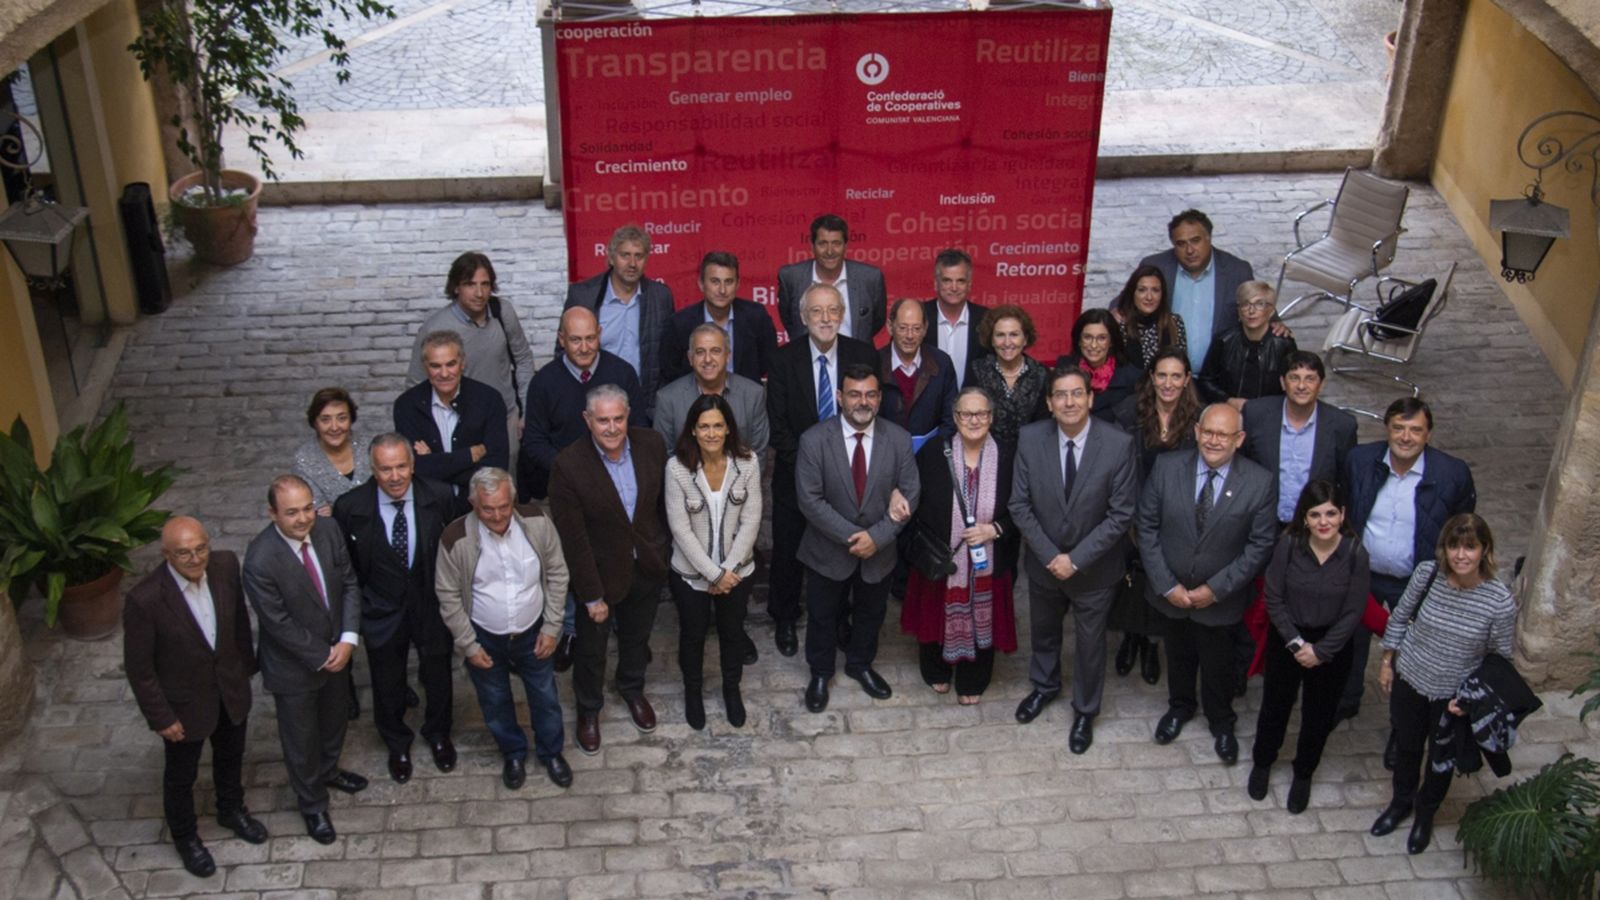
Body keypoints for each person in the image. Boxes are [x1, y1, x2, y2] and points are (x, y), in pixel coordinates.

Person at [124, 516, 266, 877]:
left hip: (229, 689)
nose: (195, 558)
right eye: (184, 553)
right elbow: (140, 669)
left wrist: (246, 670)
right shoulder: (146, 600)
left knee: (231, 755)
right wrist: (162, 718)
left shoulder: (225, 565)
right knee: (180, 775)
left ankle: (231, 808)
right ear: (166, 555)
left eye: (201, 548)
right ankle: (186, 837)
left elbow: (236, 622)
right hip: (184, 704)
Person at [1008, 367, 1139, 753]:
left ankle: (1085, 709)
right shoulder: (1030, 439)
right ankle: (1045, 686)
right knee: (1044, 633)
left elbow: (1121, 514)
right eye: (1060, 395)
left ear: (1090, 398)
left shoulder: (1117, 444)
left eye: (1076, 394)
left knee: (1089, 644)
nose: (1069, 402)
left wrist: (1076, 559)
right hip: (1044, 564)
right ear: (1049, 403)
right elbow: (1019, 503)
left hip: (1095, 570)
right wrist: (1051, 556)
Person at [1138, 404, 1277, 765]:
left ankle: (1221, 721)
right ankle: (1180, 707)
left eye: (1224, 434)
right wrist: (1167, 586)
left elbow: (1259, 545)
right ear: (1197, 431)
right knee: (1179, 655)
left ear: (1239, 439)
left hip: (1220, 600)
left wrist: (1215, 589)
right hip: (1172, 595)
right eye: (1209, 432)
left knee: (1218, 665)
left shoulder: (1260, 483)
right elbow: (1147, 527)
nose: (1214, 440)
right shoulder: (1167, 468)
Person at [1371, 514, 1515, 855]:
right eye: (1454, 546)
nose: (1461, 555)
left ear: (1485, 550)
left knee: (1440, 759)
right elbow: (1401, 616)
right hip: (1411, 678)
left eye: (1470, 547)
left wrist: (1469, 698)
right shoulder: (1427, 574)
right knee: (1406, 748)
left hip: (1453, 696)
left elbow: (1499, 659)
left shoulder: (1498, 601)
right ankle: (1400, 802)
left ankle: (1425, 814)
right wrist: (1388, 662)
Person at [1340, 397, 1477, 731]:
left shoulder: (1452, 473)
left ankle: (1403, 727)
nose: (1405, 437)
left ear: (1428, 435)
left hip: (1416, 581)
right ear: (1386, 429)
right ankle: (1345, 703)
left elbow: (1464, 529)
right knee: (1349, 641)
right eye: (1398, 428)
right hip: (1363, 575)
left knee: (1411, 654)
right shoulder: (1359, 461)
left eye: (1415, 430)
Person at [547, 384, 670, 754]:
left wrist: (660, 553)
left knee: (637, 639)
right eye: (603, 421)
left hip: (646, 566)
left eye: (618, 418)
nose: (612, 428)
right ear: (588, 420)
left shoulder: (651, 445)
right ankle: (588, 709)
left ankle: (632, 688)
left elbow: (663, 505)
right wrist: (590, 594)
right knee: (591, 651)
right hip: (598, 576)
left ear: (628, 415)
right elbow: (573, 539)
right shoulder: (568, 466)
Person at [242, 475, 366, 844]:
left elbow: (348, 583)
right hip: (294, 667)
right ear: (272, 514)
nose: (303, 519)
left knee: (334, 720)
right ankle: (312, 804)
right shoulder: (261, 559)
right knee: (300, 738)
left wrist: (347, 640)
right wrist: (323, 654)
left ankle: (329, 770)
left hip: (338, 651)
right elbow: (276, 621)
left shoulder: (328, 530)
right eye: (292, 512)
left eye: (308, 508)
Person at [331, 434, 460, 784]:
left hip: (430, 604)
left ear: (413, 464)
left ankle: (438, 733)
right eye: (385, 469)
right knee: (386, 680)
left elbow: (454, 550)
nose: (395, 476)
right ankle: (396, 741)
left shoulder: (440, 496)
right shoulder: (350, 507)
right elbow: (347, 569)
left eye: (401, 466)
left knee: (438, 672)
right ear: (373, 470)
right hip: (381, 609)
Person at [435, 467, 573, 791]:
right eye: (487, 509)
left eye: (503, 507)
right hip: (485, 636)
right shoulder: (455, 538)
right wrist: (469, 645)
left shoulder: (538, 523)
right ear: (473, 503)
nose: (497, 516)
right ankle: (513, 752)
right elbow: (448, 595)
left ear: (513, 500)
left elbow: (557, 573)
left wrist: (553, 626)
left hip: (534, 631)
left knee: (545, 696)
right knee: (494, 700)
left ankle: (551, 752)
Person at [797, 362, 920, 712]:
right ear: (840, 397)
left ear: (879, 399)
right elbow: (810, 500)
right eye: (854, 394)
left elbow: (910, 492)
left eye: (869, 395)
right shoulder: (814, 440)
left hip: (879, 553)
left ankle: (860, 665)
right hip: (827, 550)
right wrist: (857, 537)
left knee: (870, 614)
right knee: (822, 616)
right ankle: (820, 674)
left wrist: (877, 539)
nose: (861, 402)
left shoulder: (898, 439)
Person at [765, 283, 880, 656]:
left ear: (843, 313)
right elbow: (778, 426)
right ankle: (784, 617)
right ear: (803, 317)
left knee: (844, 549)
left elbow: (871, 413)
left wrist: (841, 474)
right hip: (796, 475)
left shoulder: (862, 353)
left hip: (853, 477)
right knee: (787, 550)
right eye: (817, 311)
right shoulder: (783, 360)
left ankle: (840, 620)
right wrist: (813, 472)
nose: (826, 318)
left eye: (833, 310)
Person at [1247, 480, 1369, 814]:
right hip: (1288, 638)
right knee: (1275, 707)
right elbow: (1273, 596)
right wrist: (1296, 642)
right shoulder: (1288, 546)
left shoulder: (1356, 553)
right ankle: (1263, 762)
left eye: (1330, 513)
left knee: (1318, 714)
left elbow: (1353, 611)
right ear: (1304, 518)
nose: (1324, 521)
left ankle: (1303, 773)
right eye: (1315, 514)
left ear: (1342, 514)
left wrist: (1321, 651)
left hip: (1333, 645)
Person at [899, 385, 1019, 702]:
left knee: (985, 618)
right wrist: (896, 494)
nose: (974, 419)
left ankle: (973, 679)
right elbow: (910, 489)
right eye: (967, 413)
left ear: (991, 417)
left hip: (989, 560)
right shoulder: (933, 453)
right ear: (955, 416)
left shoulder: (1008, 456)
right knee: (935, 614)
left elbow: (1023, 506)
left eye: (981, 413)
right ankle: (936, 670)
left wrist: (994, 529)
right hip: (942, 557)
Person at [665, 394, 763, 729]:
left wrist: (728, 572)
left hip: (736, 573)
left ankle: (731, 689)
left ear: (728, 428)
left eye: (718, 426)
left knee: (732, 633)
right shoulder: (676, 468)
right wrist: (712, 574)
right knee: (692, 635)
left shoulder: (747, 462)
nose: (711, 433)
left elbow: (751, 521)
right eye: (704, 426)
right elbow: (679, 528)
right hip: (691, 574)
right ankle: (693, 691)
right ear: (693, 430)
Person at [1108, 349, 1201, 685]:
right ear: (1151, 377)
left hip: (1177, 517)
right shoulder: (1128, 414)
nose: (1168, 383)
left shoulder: (1199, 420)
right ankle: (1132, 638)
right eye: (1162, 375)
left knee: (1160, 579)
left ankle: (1150, 644)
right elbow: (1117, 468)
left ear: (1187, 379)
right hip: (1132, 513)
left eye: (1176, 376)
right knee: (1133, 580)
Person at [407, 252, 535, 457]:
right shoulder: (436, 328)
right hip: (459, 422)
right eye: (470, 284)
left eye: (485, 284)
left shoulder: (502, 312)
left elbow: (523, 359)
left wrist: (526, 411)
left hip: (505, 417)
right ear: (456, 287)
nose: (479, 293)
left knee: (504, 483)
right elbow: (416, 384)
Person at [519, 307, 645, 502]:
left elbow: (638, 430)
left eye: (590, 338)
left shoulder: (623, 374)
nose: (585, 348)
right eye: (576, 340)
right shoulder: (543, 382)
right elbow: (534, 442)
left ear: (600, 334)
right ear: (562, 339)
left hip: (618, 482)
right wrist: (571, 470)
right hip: (564, 485)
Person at [564, 224, 674, 424]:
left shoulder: (661, 296)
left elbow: (669, 356)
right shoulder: (584, 295)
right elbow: (564, 351)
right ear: (611, 257)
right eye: (625, 255)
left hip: (644, 407)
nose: (632, 263)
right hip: (595, 407)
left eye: (639, 256)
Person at [1240, 351, 1359, 527]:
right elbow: (1241, 467)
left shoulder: (1342, 425)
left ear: (1321, 384)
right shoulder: (1255, 413)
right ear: (1282, 382)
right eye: (1294, 378)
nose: (1302, 386)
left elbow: (1345, 482)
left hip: (1315, 529)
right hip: (1261, 524)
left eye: (1310, 379)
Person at [1139, 209, 1260, 370]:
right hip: (1170, 377)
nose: (1189, 251)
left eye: (1195, 240)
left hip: (1219, 376)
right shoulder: (1156, 266)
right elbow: (1123, 302)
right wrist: (1117, 311)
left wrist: (1276, 325)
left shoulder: (1237, 271)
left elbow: (1259, 308)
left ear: (1209, 238)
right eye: (1181, 244)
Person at [394, 330, 509, 499]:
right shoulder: (407, 405)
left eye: (451, 364)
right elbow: (414, 467)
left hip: (478, 503)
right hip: (428, 505)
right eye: (435, 366)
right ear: (425, 366)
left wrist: (434, 460)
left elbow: (495, 467)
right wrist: (468, 456)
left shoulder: (489, 400)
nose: (444, 373)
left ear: (462, 363)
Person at [660, 252, 778, 385]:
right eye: (715, 281)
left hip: (744, 401)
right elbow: (670, 372)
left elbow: (769, 362)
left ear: (738, 284)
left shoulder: (756, 316)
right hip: (695, 402)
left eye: (728, 282)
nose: (722, 290)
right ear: (701, 284)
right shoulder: (680, 323)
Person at [655, 323, 770, 456]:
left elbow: (758, 453)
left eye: (715, 351)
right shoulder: (667, 398)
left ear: (728, 356)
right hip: (684, 475)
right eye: (700, 352)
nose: (708, 359)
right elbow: (664, 455)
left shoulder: (753, 394)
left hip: (742, 475)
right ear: (690, 358)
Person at [777, 213, 888, 343]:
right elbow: (791, 322)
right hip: (805, 360)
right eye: (823, 244)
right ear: (812, 245)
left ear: (846, 246)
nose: (830, 251)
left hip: (856, 359)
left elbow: (876, 322)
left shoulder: (870, 278)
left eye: (836, 243)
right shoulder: (791, 277)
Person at [1197, 282, 1298, 407]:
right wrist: (1227, 400)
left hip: (1269, 414)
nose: (1251, 311)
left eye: (1260, 304)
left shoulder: (1284, 344)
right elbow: (1205, 381)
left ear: (1271, 311)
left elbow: (1293, 384)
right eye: (1245, 304)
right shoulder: (1224, 340)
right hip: (1230, 412)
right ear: (1239, 311)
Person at [967, 305, 1048, 450]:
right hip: (984, 454)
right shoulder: (976, 370)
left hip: (1029, 455)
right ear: (991, 340)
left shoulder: (1042, 374)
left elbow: (1044, 427)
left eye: (1014, 335)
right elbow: (967, 416)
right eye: (1000, 335)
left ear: (1025, 339)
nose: (1007, 342)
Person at [879, 297, 958, 445]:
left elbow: (951, 418)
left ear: (925, 329)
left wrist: (934, 450)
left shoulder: (942, 363)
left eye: (916, 328)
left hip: (931, 455)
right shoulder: (875, 363)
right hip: (886, 455)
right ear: (890, 326)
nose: (910, 336)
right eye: (903, 328)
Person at [292, 388, 373, 517]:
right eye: (325, 420)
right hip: (333, 534)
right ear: (315, 423)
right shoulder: (304, 460)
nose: (334, 427)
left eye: (342, 418)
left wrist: (335, 510)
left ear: (351, 420)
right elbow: (319, 513)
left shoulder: (371, 448)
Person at [922, 249, 989, 388]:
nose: (954, 287)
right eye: (947, 280)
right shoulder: (919, 316)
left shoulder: (986, 320)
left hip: (974, 406)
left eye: (960, 281)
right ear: (936, 283)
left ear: (969, 284)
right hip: (929, 407)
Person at [1056, 308, 1140, 419]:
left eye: (1102, 338)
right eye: (1087, 337)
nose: (1094, 345)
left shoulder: (1131, 377)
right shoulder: (1063, 369)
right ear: (1079, 341)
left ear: (1111, 342)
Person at [1109, 265, 1187, 370]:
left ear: (1162, 294)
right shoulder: (1120, 323)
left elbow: (1182, 367)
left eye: (1155, 290)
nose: (1149, 297)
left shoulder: (1174, 322)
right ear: (1133, 293)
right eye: (1142, 290)